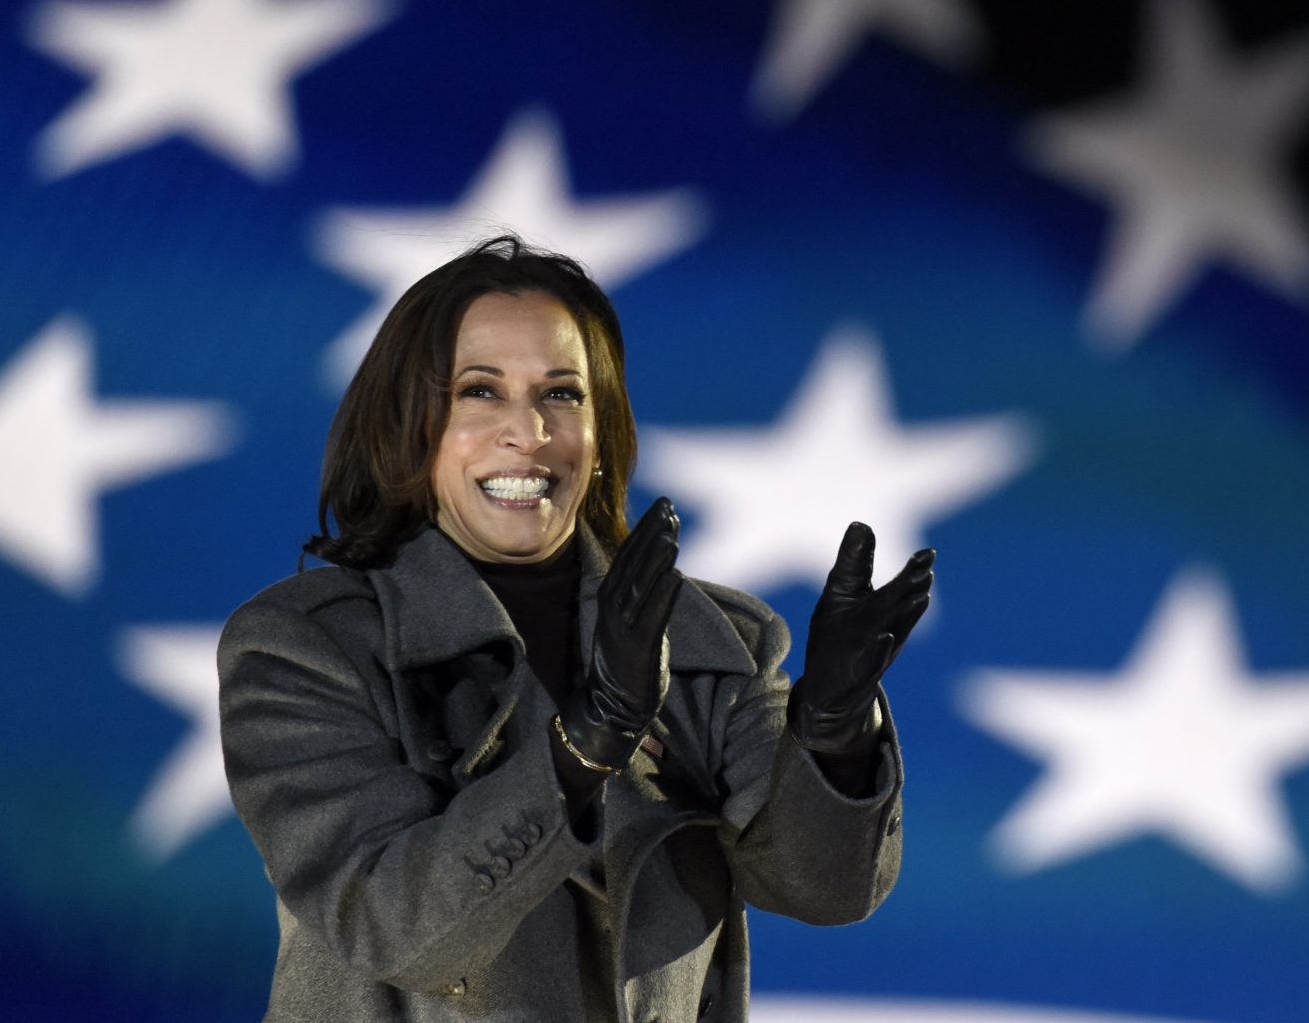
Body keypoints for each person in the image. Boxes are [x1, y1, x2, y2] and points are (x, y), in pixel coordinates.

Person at [217, 234, 933, 1022]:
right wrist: (585, 744)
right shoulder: (303, 647)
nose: (528, 431)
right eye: (479, 392)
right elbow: (394, 928)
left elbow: (822, 889)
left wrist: (833, 732)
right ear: (412, 426)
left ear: (600, 434)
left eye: (562, 393)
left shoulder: (719, 640)